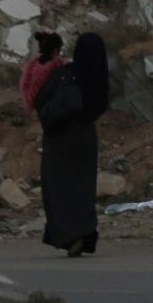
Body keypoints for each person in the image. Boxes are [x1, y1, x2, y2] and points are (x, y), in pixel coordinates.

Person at [35, 32, 110, 257]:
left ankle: (67, 236)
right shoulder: (100, 78)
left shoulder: (66, 74)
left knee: (58, 188)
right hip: (86, 136)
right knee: (83, 189)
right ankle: (84, 233)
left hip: (60, 137)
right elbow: (100, 106)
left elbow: (41, 98)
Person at [20, 31, 65, 112]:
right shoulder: (56, 68)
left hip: (32, 104)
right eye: (59, 50)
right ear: (55, 50)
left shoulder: (32, 66)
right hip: (46, 109)